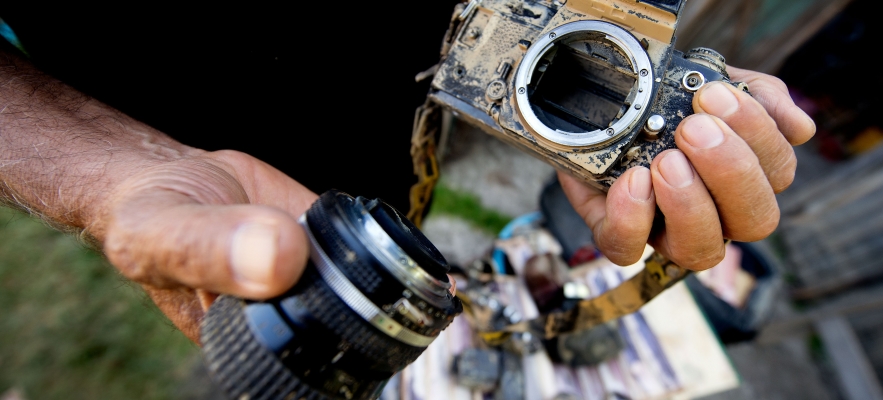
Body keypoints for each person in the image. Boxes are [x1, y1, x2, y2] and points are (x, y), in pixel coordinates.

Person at [0, 4, 815, 344]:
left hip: (397, 113)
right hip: (182, 130)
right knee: (307, 313)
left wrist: (596, 31)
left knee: (380, 262)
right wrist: (112, 177)